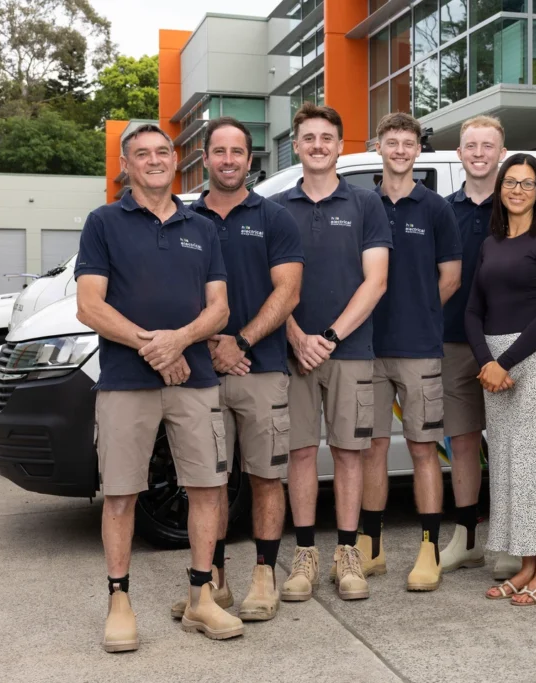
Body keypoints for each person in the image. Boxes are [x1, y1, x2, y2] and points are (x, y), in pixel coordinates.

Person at [75, 124, 242, 651]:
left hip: (195, 379)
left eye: (162, 152)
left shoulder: (201, 226)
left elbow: (220, 309)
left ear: (176, 161)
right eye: (142, 153)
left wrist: (180, 341)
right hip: (126, 382)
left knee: (208, 488)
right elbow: (90, 306)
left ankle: (200, 597)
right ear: (125, 165)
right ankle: (119, 602)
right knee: (121, 494)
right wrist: (156, 347)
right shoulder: (103, 222)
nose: (154, 160)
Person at [180, 117, 304, 622]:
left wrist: (242, 340)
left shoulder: (275, 218)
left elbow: (288, 292)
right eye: (219, 151)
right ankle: (213, 584)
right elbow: (174, 293)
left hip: (262, 368)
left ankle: (263, 576)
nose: (228, 160)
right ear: (205, 158)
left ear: (250, 160)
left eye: (237, 152)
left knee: (265, 478)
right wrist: (213, 343)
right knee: (208, 484)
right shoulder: (184, 220)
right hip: (201, 374)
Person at [270, 103, 391, 601]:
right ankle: (304, 556)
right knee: (299, 453)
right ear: (296, 146)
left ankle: (347, 554)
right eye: (309, 138)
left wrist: (331, 337)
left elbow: (376, 281)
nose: (318, 145)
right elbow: (269, 285)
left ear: (341, 146)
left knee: (348, 453)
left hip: (350, 350)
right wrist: (297, 336)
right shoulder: (276, 208)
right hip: (292, 352)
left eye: (327, 138)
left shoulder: (365, 204)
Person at [358, 112, 462, 592]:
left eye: (407, 143)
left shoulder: (436, 207)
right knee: (371, 449)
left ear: (418, 150)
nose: (400, 150)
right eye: (391, 142)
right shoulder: (363, 204)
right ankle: (372, 547)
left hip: (419, 348)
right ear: (378, 146)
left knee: (423, 449)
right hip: (367, 347)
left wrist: (420, 312)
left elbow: (451, 278)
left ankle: (428, 548)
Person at [465, 153, 536, 606]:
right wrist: (486, 361)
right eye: (511, 182)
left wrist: (505, 362)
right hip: (494, 365)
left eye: (528, 184)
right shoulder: (490, 244)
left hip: (532, 357)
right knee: (509, 465)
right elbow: (473, 309)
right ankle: (526, 565)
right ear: (500, 188)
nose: (518, 190)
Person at [437, 115, 517, 578]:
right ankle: (466, 538)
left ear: (502, 153)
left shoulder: (518, 209)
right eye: (471, 145)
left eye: (489, 145)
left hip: (507, 344)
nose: (480, 153)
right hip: (453, 340)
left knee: (506, 443)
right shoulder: (442, 210)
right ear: (459, 153)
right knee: (463, 440)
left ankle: (507, 539)